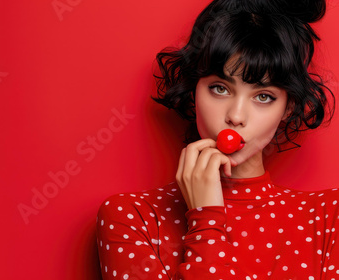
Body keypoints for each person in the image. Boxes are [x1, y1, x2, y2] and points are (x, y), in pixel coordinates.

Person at [96, 0, 337, 279]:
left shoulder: (329, 218)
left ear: (288, 108)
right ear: (193, 90)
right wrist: (205, 218)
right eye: (219, 88)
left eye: (263, 96)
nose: (235, 116)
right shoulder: (132, 218)